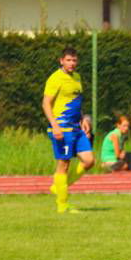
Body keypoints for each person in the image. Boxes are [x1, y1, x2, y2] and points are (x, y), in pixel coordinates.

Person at [43, 46, 95, 214]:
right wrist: (54, 126)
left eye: (74, 60)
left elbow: (75, 102)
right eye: (68, 60)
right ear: (61, 61)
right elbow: (46, 104)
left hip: (76, 128)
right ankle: (62, 204)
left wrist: (83, 120)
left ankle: (59, 187)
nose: (72, 63)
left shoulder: (77, 78)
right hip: (62, 128)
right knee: (63, 165)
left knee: (89, 161)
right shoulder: (55, 78)